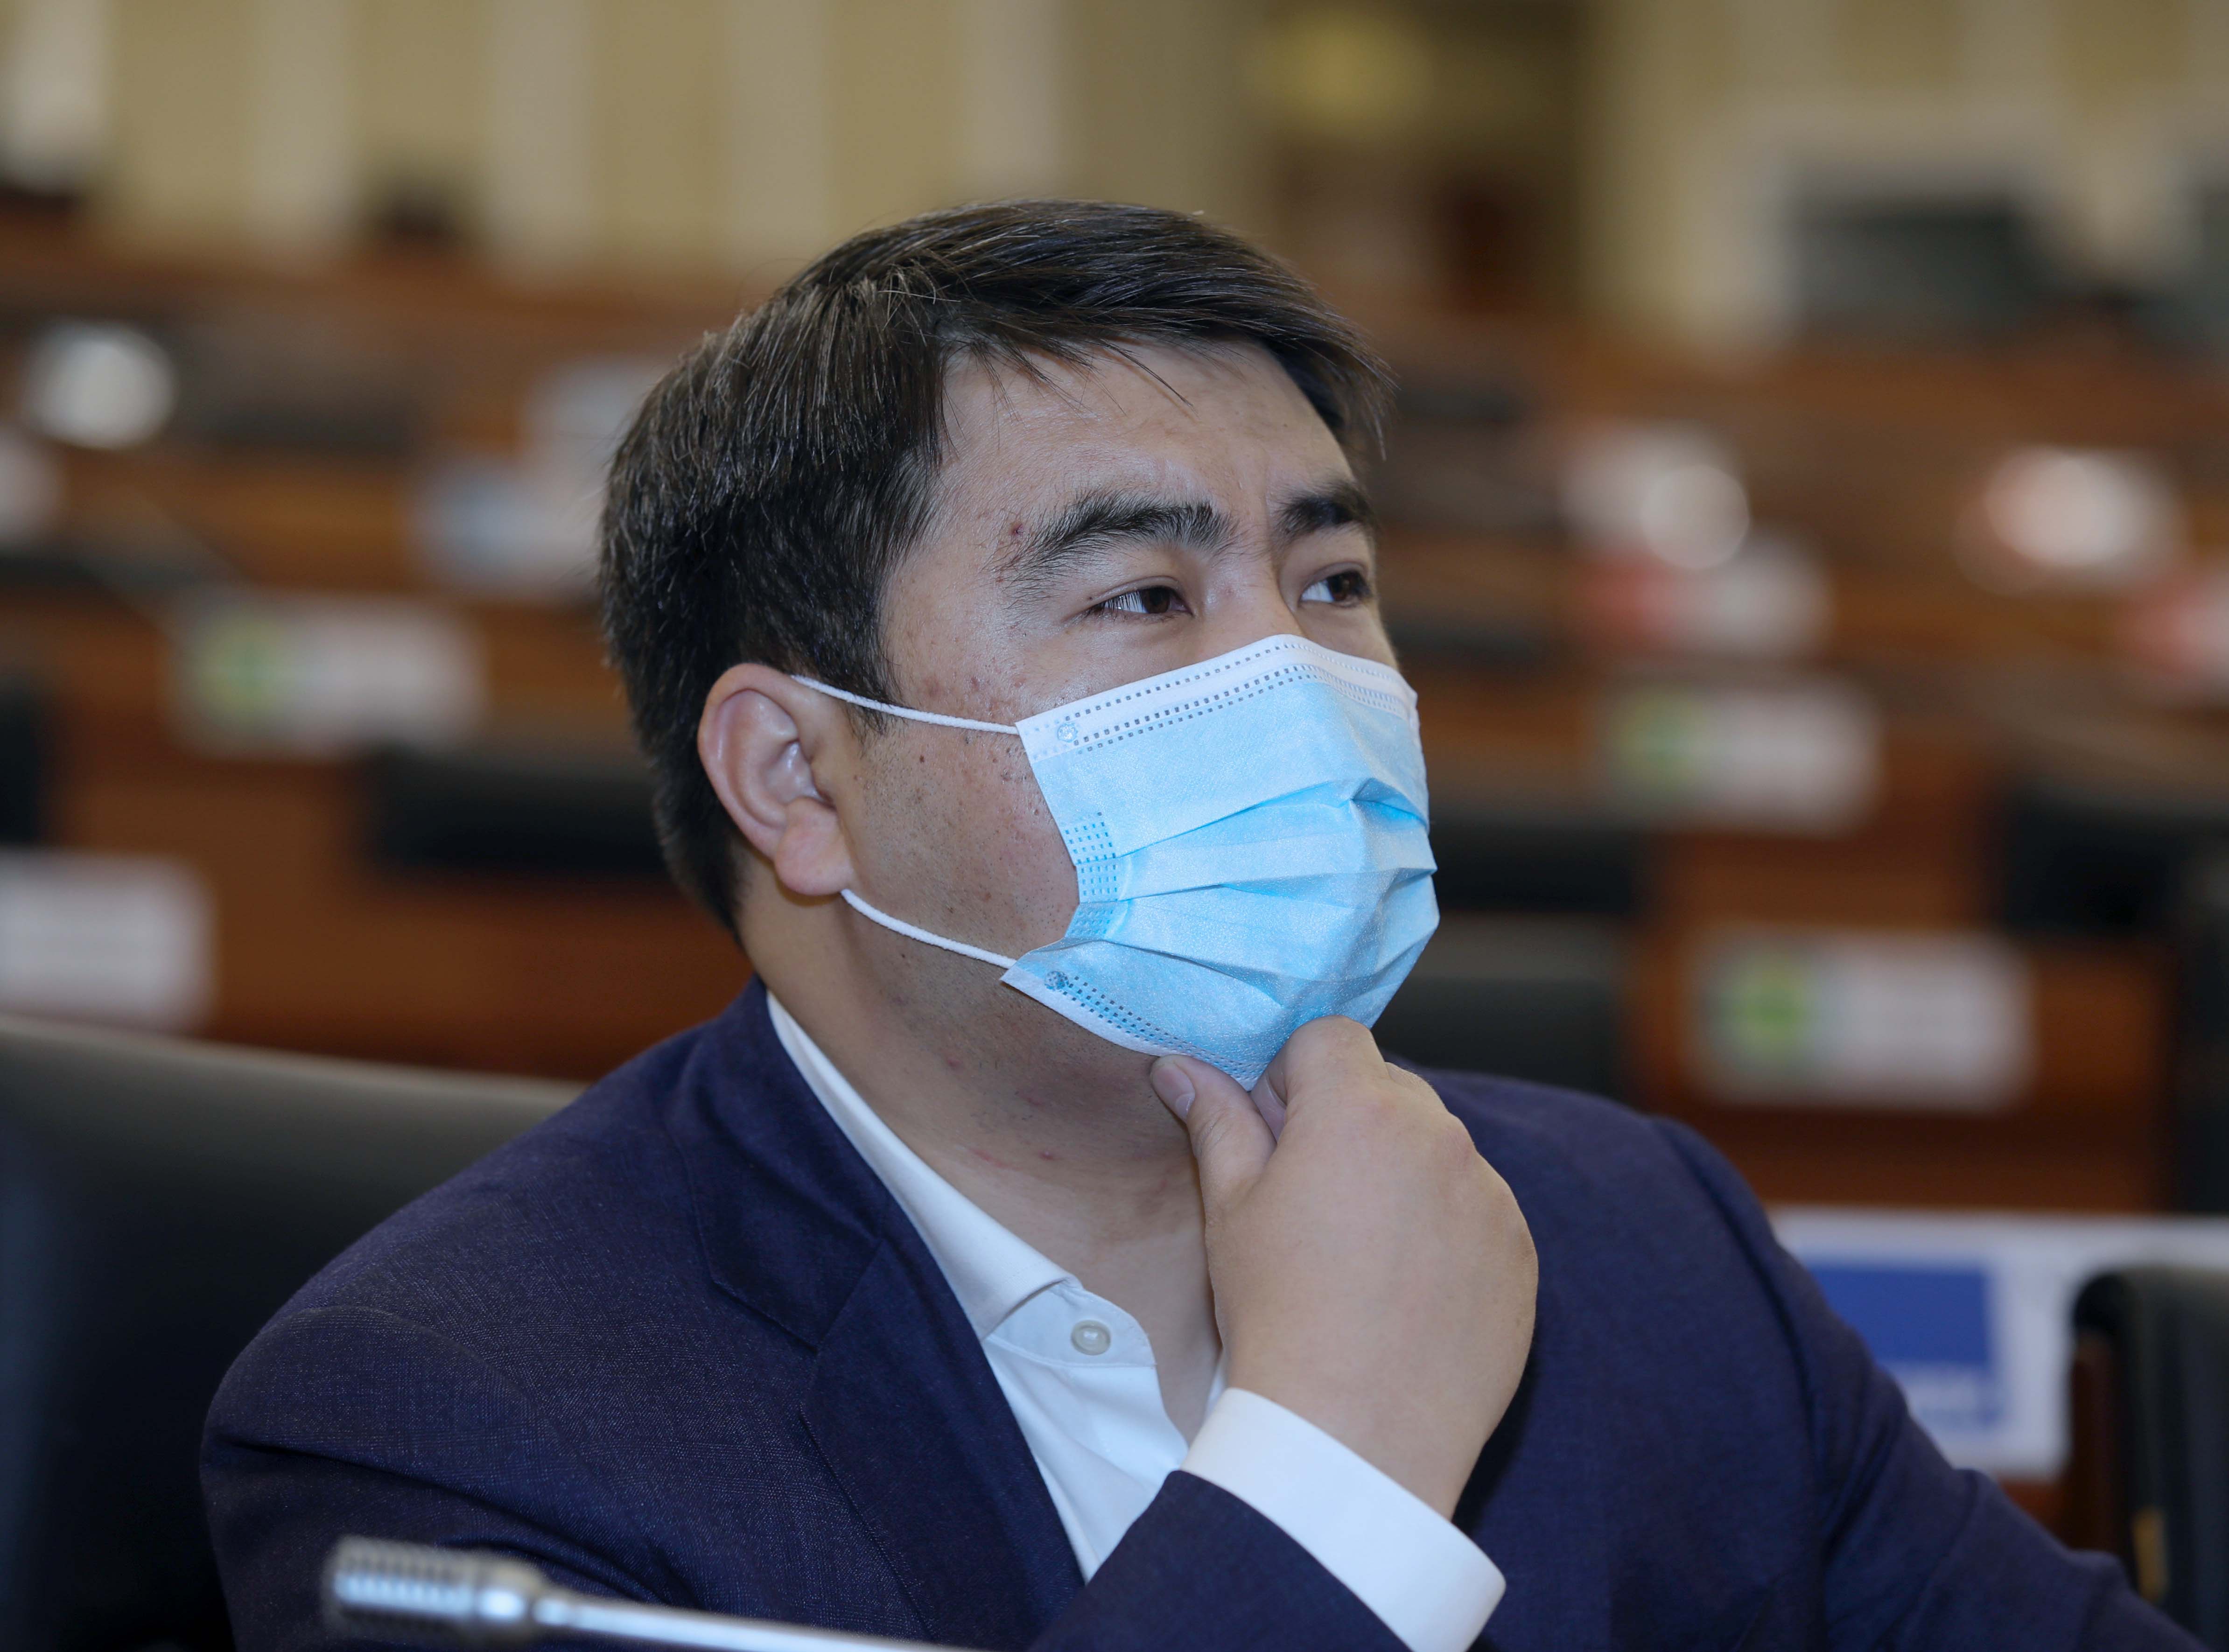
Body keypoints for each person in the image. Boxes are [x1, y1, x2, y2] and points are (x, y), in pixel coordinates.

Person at [202, 201, 2194, 1652]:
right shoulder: (462, 1427)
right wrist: (1333, 1466)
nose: (1300, 685)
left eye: (1330, 585)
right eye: (1146, 598)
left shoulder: (1644, 1239)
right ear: (798, 780)